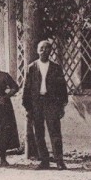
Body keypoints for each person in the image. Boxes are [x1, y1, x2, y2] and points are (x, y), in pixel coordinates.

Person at [23, 40, 68, 170]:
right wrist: (28, 107)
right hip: (36, 103)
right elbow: (26, 88)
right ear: (37, 50)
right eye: (41, 48)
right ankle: (44, 161)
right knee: (39, 133)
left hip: (51, 103)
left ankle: (59, 161)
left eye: (47, 49)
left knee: (55, 132)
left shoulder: (56, 68)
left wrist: (61, 106)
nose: (44, 51)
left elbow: (62, 88)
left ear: (50, 51)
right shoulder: (31, 67)